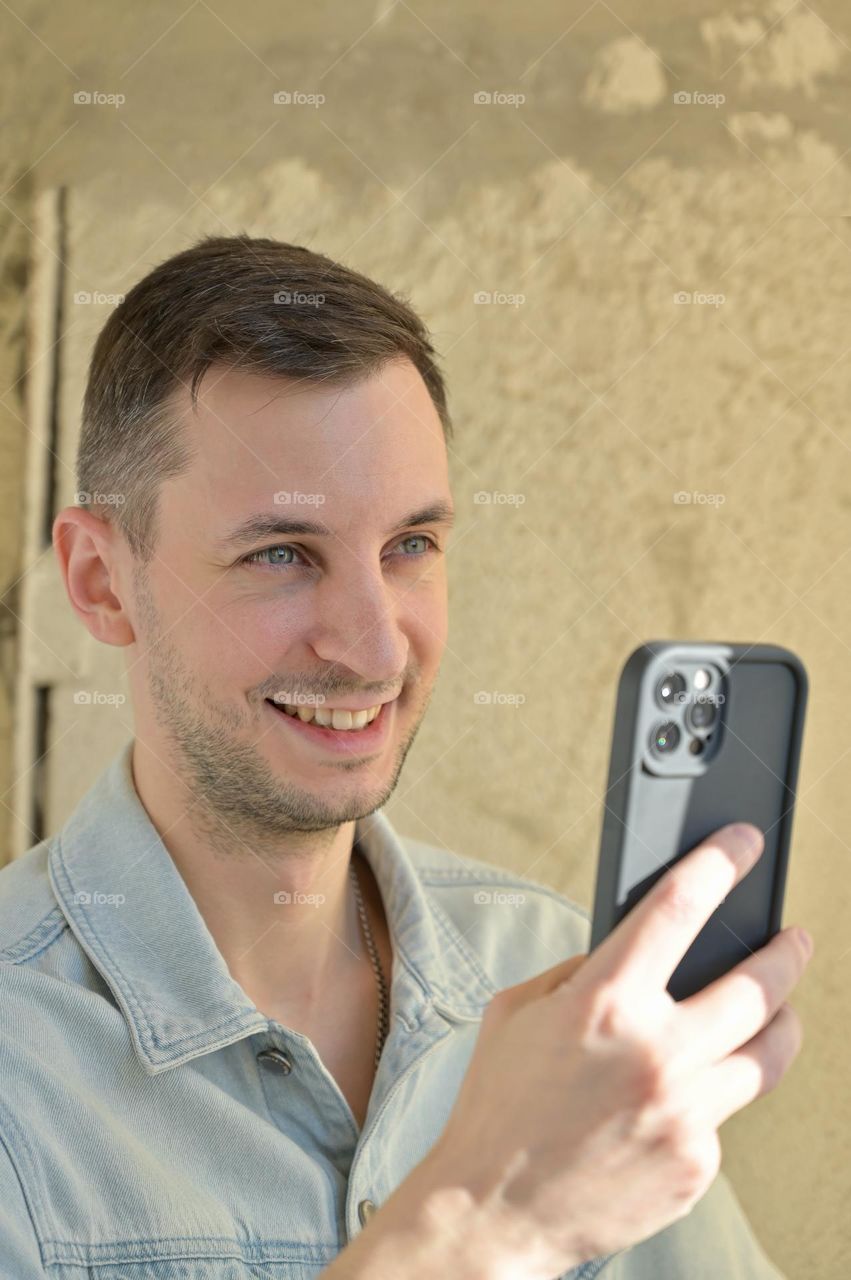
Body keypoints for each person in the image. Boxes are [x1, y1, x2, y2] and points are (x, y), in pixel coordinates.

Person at [0, 235, 811, 1278]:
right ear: (103, 580)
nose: (376, 646)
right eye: (281, 555)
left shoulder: (557, 976)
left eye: (410, 547)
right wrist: (481, 1225)